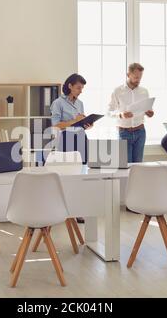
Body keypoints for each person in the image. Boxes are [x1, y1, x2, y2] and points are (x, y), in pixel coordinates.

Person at [51, 73, 92, 224]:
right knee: (67, 174)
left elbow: (79, 123)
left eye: (82, 88)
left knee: (82, 173)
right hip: (66, 138)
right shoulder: (58, 103)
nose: (81, 90)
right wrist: (75, 120)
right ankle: (65, 210)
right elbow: (56, 124)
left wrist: (86, 123)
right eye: (78, 87)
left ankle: (79, 210)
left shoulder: (80, 103)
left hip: (81, 137)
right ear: (70, 86)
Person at [108, 63, 154, 163]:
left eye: (140, 77)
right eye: (136, 77)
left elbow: (147, 109)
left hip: (140, 132)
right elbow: (109, 112)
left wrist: (149, 113)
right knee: (125, 166)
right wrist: (121, 115)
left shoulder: (144, 91)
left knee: (138, 166)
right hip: (124, 133)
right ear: (128, 75)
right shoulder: (118, 91)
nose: (138, 80)